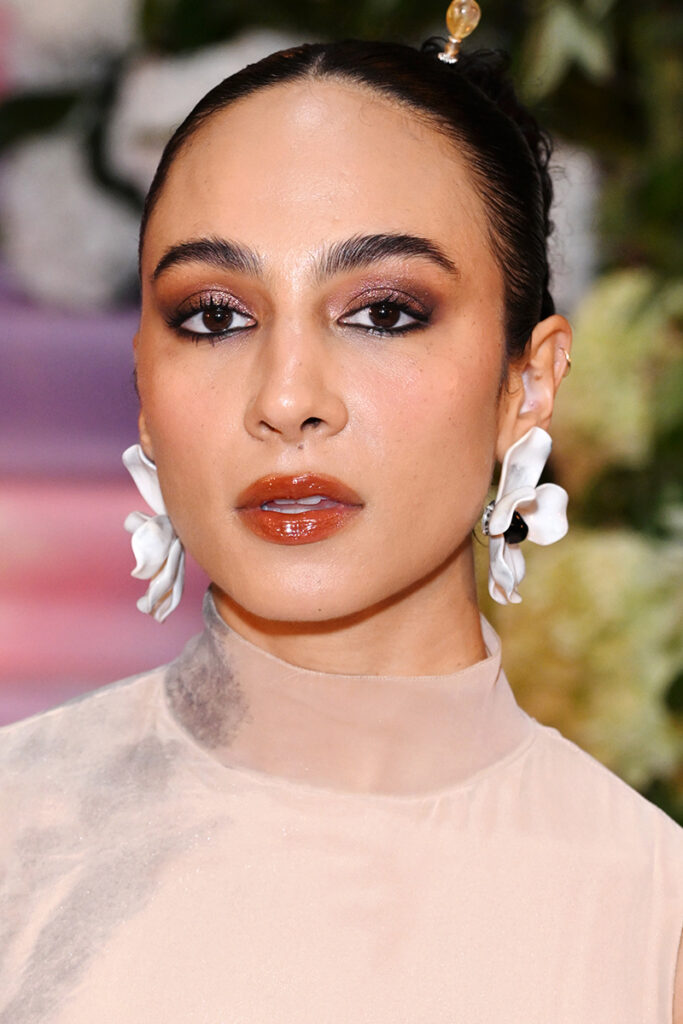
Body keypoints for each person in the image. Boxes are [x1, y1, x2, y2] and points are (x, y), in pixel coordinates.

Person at [1, 19, 682, 1023]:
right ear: (143, 382)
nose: (287, 399)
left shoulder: (651, 918)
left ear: (527, 383)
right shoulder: (19, 840)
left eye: (383, 312)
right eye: (214, 316)